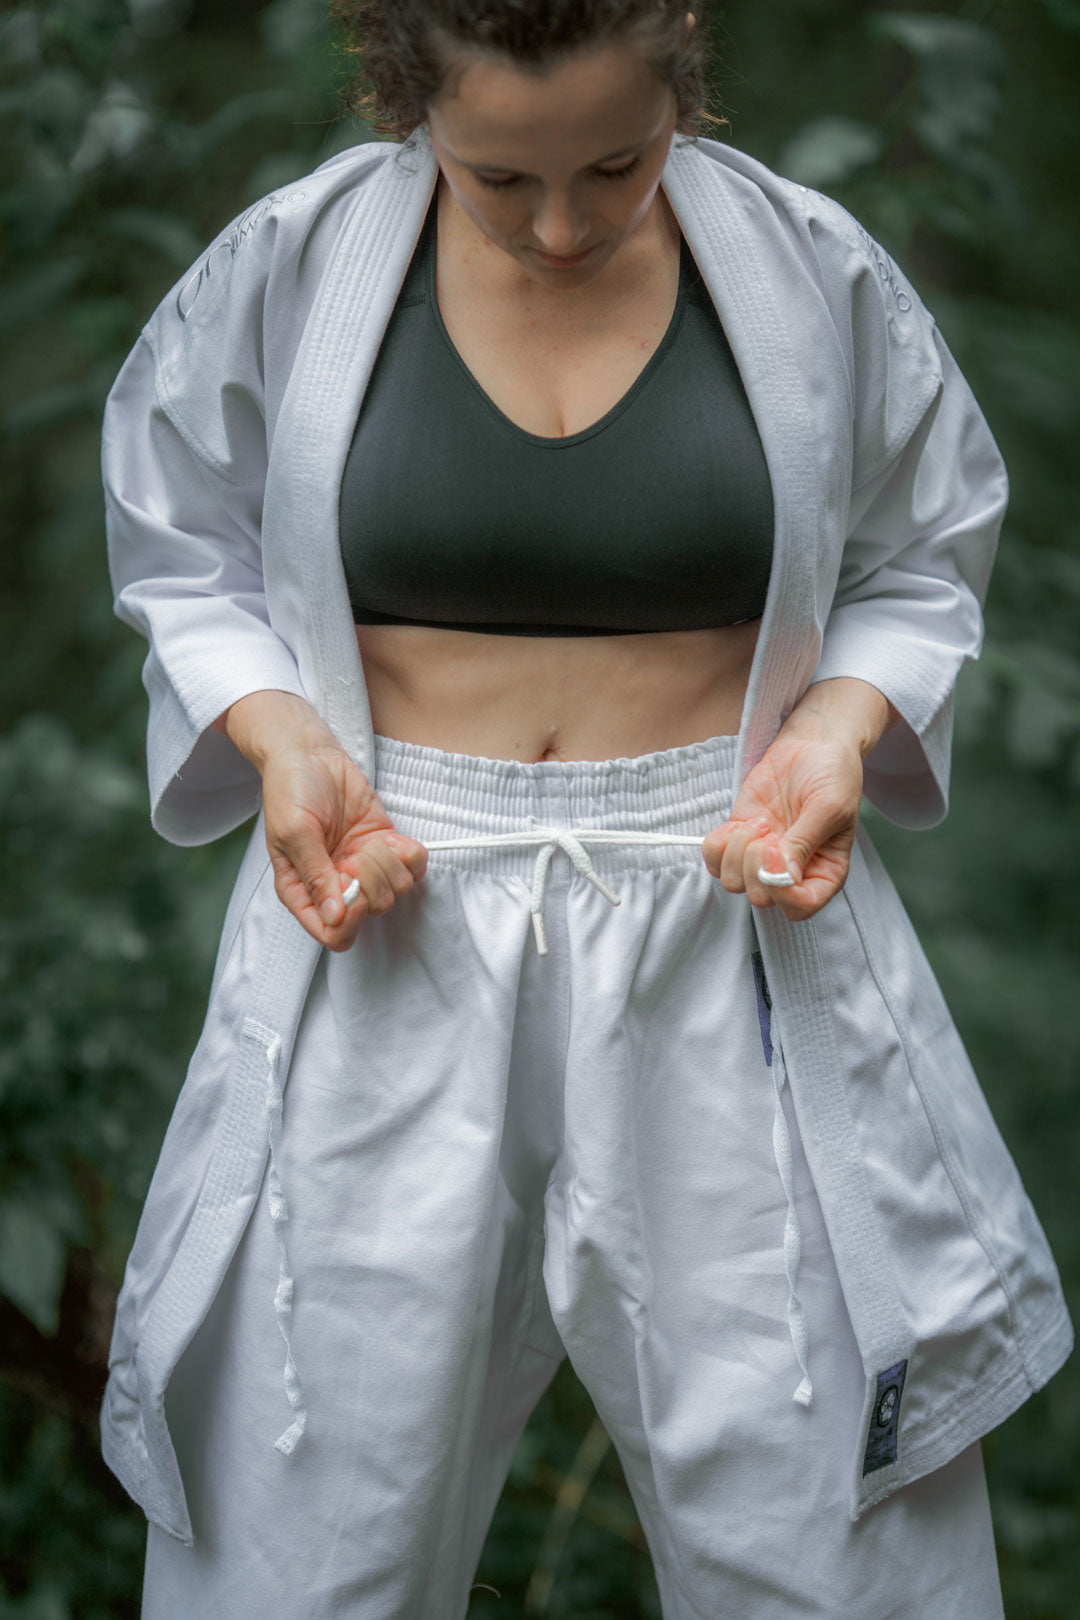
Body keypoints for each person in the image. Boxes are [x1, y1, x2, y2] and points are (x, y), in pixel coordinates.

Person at [99, 2, 1071, 1615]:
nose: (560, 226)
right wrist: (281, 742)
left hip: (732, 914)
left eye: (616, 165)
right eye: (497, 180)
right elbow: (181, 544)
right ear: (415, 111)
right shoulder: (295, 264)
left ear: (679, 78)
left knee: (828, 1547)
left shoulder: (806, 266)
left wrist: (839, 730)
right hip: (384, 913)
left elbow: (923, 548)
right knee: (306, 1539)